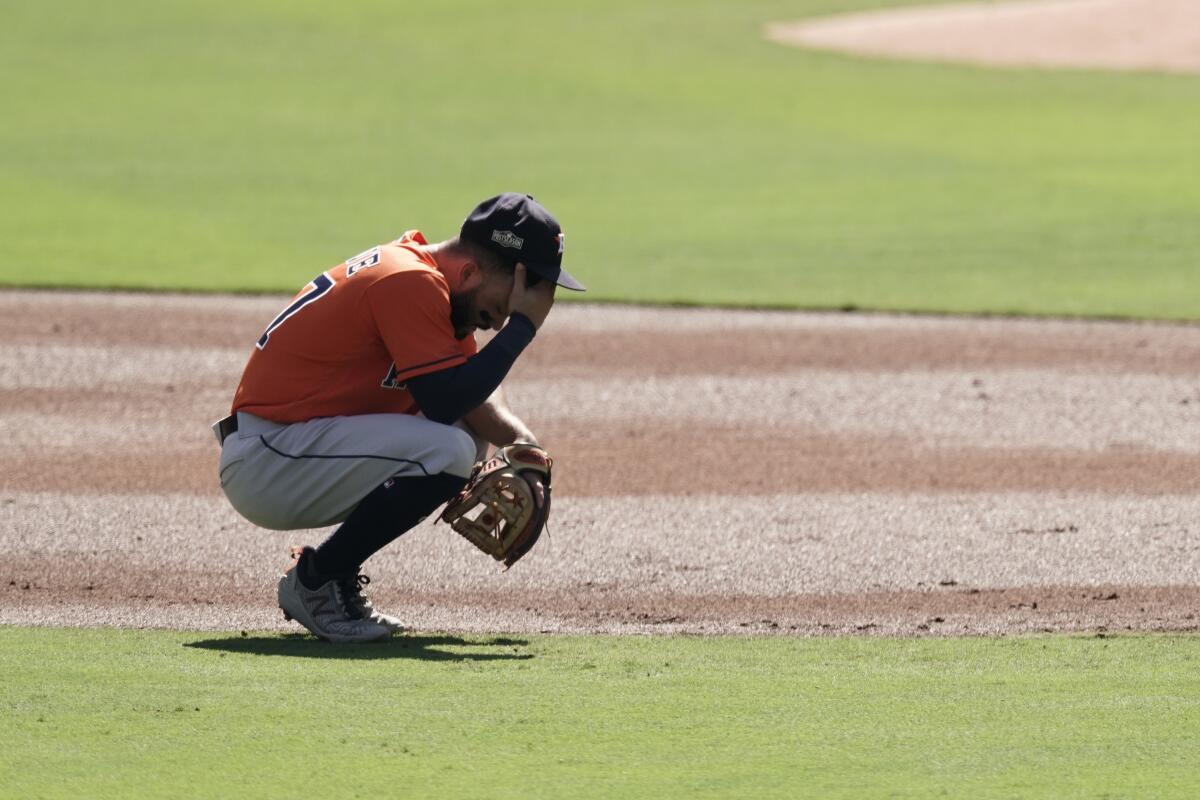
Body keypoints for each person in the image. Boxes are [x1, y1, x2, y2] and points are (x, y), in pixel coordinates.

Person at [213, 193, 584, 643]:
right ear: (471, 272)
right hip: (268, 460)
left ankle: (329, 577)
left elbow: (472, 397)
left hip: (296, 450)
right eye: (501, 309)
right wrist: (525, 329)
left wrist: (529, 450)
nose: (496, 326)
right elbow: (447, 400)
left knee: (461, 438)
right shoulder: (408, 281)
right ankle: (318, 579)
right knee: (449, 448)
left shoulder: (433, 286)